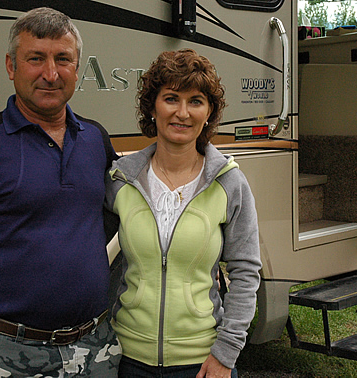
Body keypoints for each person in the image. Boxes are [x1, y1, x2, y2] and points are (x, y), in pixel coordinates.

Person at [0, 7, 121, 377]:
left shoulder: (96, 140)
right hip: (10, 354)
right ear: (11, 66)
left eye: (62, 59)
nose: (50, 74)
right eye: (36, 58)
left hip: (96, 349)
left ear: (77, 68)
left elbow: (116, 215)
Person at [105, 49, 262, 378]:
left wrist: (226, 353)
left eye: (196, 101)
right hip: (128, 359)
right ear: (152, 107)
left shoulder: (228, 182)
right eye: (171, 98)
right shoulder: (121, 180)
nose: (182, 112)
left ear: (209, 112)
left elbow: (246, 273)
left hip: (203, 363)